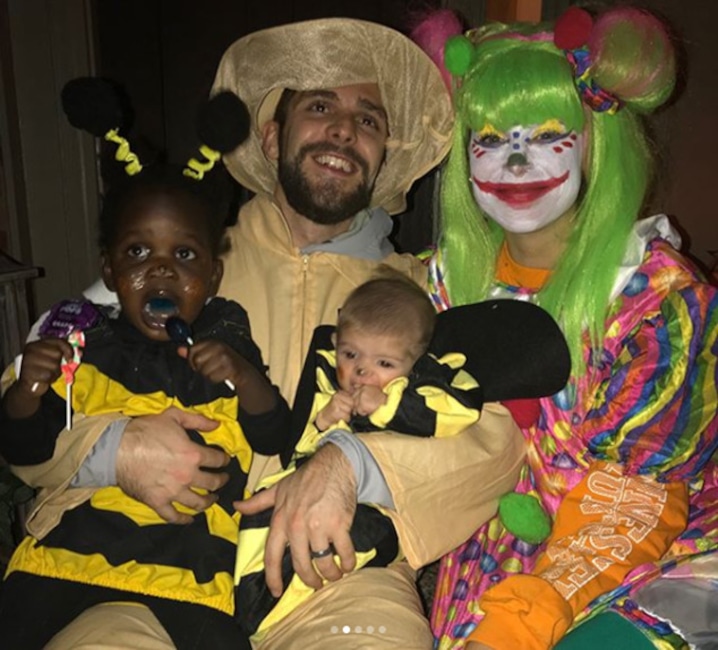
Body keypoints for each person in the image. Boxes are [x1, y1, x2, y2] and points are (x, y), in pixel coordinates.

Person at [1, 18, 529, 650]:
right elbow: (26, 404)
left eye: (368, 120)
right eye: (320, 106)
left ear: (384, 155)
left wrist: (352, 466)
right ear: (273, 135)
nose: (344, 129)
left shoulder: (424, 292)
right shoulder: (180, 259)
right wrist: (114, 450)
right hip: (136, 564)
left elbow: (495, 443)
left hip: (334, 574)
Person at [418, 6, 718, 650]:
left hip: (660, 552)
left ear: (594, 142)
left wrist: (519, 623)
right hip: (501, 555)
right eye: (489, 138)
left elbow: (637, 503)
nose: (515, 161)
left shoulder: (657, 297)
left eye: (548, 133)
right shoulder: (441, 286)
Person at [0, 152, 292, 647]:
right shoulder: (83, 349)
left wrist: (244, 377)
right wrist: (28, 389)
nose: (160, 269)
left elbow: (275, 436)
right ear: (110, 272)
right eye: (137, 252)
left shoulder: (227, 347)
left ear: (214, 276)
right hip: (70, 560)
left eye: (185, 255)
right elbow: (24, 448)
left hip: (189, 573)